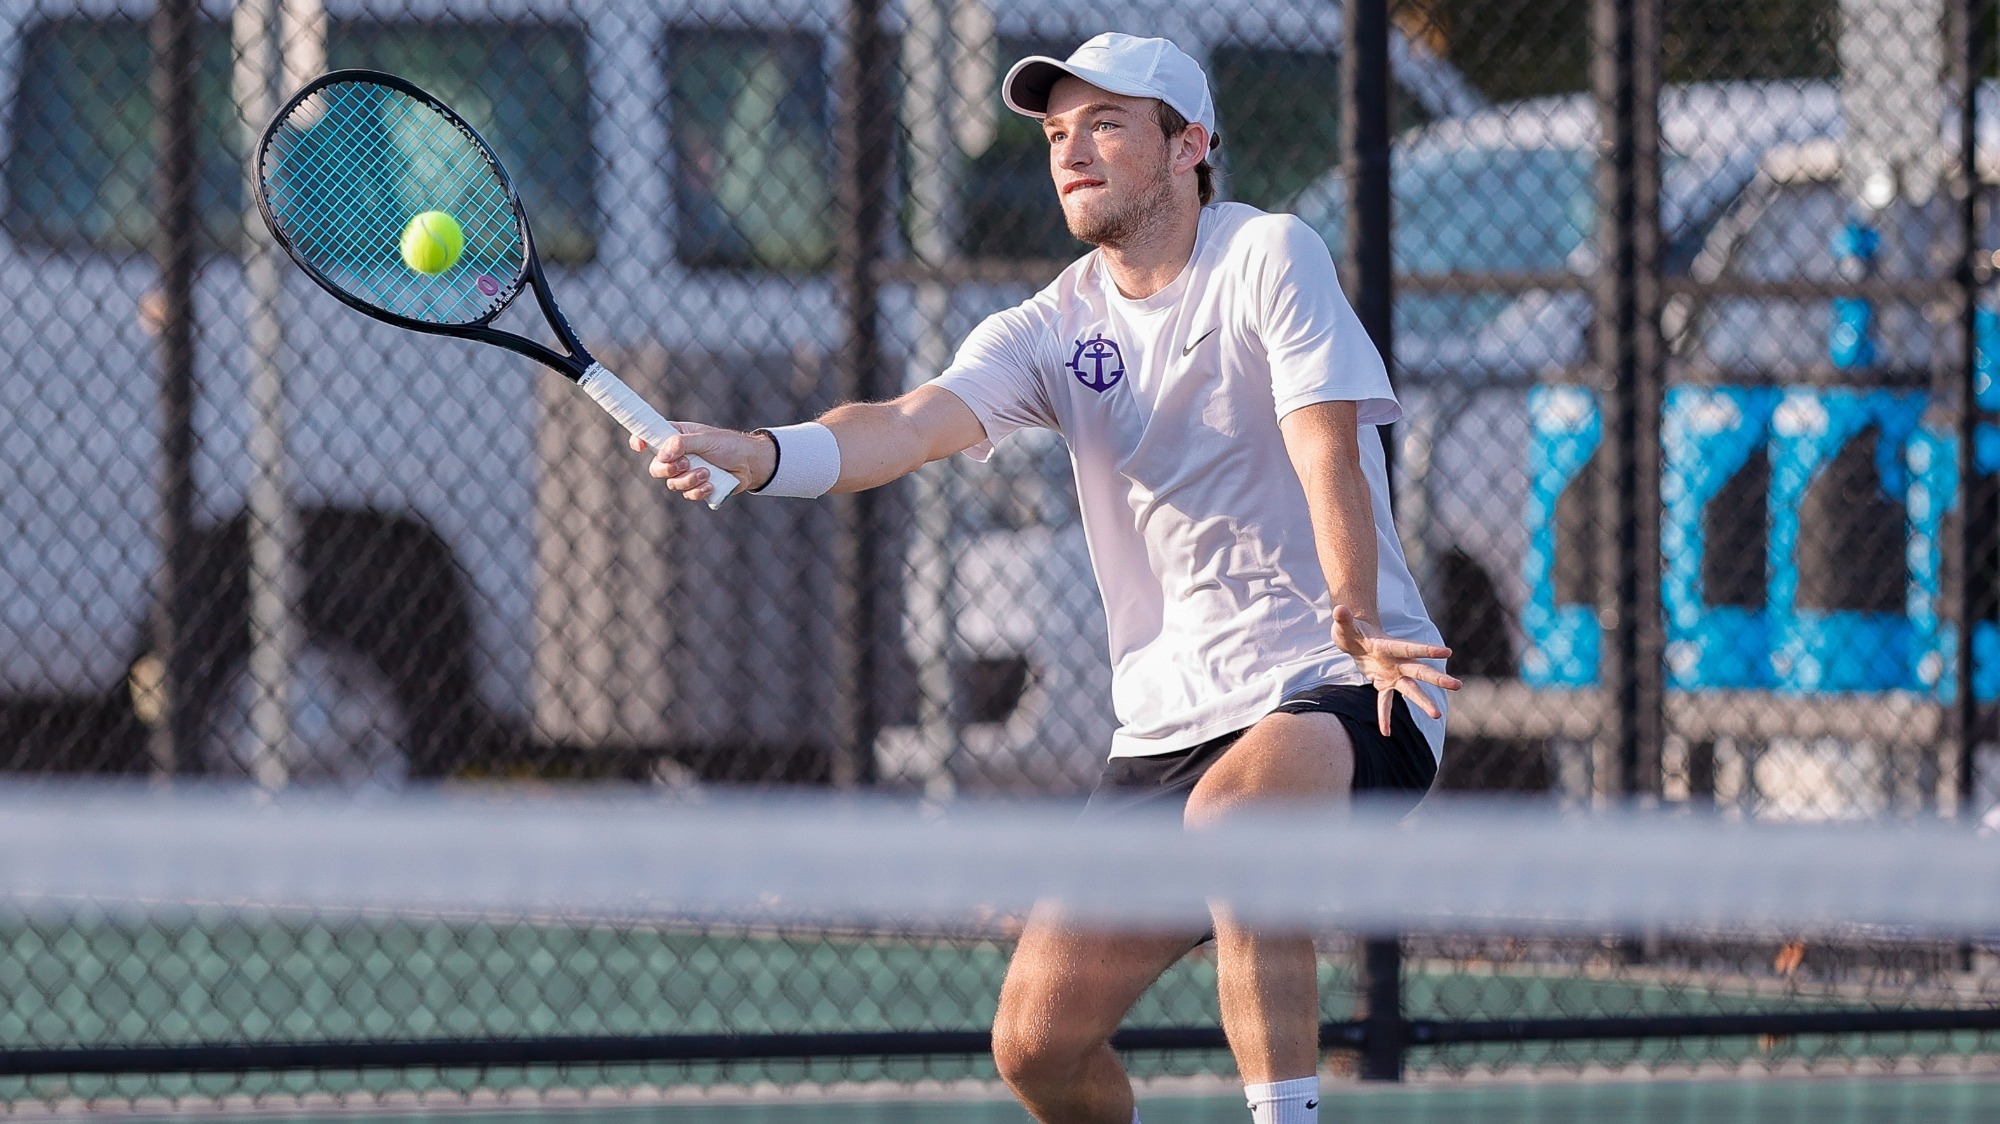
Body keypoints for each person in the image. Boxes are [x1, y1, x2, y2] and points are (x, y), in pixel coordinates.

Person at [635, 32, 1459, 1124]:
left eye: (1106, 124)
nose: (1070, 149)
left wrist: (1351, 600)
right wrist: (757, 448)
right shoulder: (1053, 326)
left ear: (1188, 145)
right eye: (1057, 131)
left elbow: (1323, 442)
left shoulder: (1269, 253)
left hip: (1348, 678)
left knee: (1235, 825)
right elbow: (903, 424)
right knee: (1034, 1044)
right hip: (1165, 726)